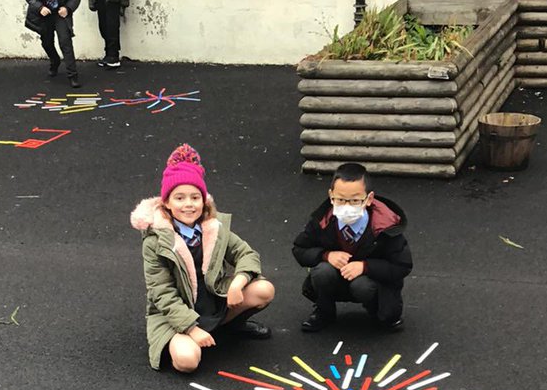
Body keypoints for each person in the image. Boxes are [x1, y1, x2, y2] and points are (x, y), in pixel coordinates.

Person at [131, 144, 274, 372]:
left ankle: (228, 327)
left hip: (210, 301)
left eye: (195, 197)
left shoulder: (213, 228)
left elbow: (246, 254)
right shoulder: (155, 241)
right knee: (187, 362)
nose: (188, 204)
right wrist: (191, 328)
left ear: (204, 201)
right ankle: (190, 336)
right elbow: (162, 293)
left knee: (263, 290)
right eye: (179, 198)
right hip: (175, 314)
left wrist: (239, 281)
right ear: (166, 202)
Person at [292, 162, 412, 332]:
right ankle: (324, 312)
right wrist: (326, 255)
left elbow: (402, 265)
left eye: (355, 200)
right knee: (321, 271)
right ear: (331, 195)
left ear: (369, 199)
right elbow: (299, 249)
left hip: (370, 281)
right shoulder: (322, 221)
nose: (347, 206)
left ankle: (379, 313)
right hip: (337, 277)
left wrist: (366, 267)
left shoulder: (385, 227)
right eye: (340, 200)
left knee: (362, 286)